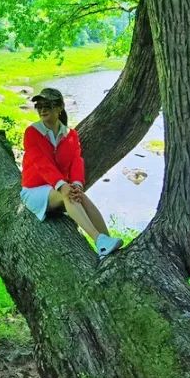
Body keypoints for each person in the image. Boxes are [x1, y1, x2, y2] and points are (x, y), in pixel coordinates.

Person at [20, 87, 124, 258]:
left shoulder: (71, 135)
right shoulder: (32, 132)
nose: (42, 109)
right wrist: (61, 185)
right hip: (35, 191)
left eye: (48, 105)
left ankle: (108, 244)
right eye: (39, 106)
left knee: (79, 196)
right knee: (68, 195)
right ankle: (99, 240)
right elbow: (41, 163)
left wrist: (76, 184)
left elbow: (77, 161)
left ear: (59, 108)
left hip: (59, 189)